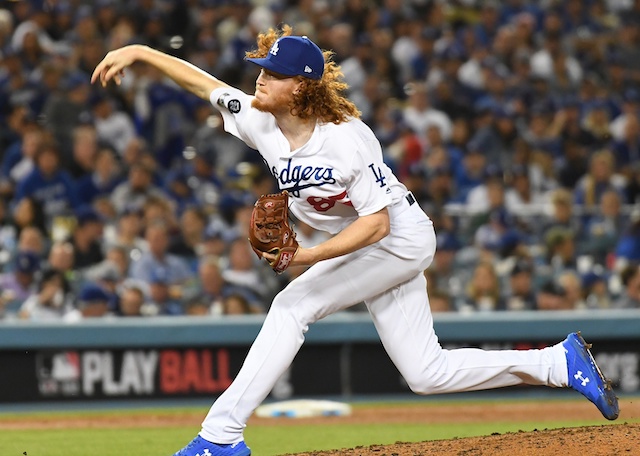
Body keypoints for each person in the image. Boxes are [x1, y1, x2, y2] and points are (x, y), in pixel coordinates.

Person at [92, 26, 619, 456]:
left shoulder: (345, 139)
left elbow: (378, 225)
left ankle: (221, 436)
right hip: (367, 246)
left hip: (398, 240)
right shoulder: (261, 122)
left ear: (299, 86)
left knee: (291, 306)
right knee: (425, 373)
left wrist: (307, 257)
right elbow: (200, 83)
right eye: (261, 70)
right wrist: (140, 51)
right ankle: (558, 363)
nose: (260, 80)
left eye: (272, 75)